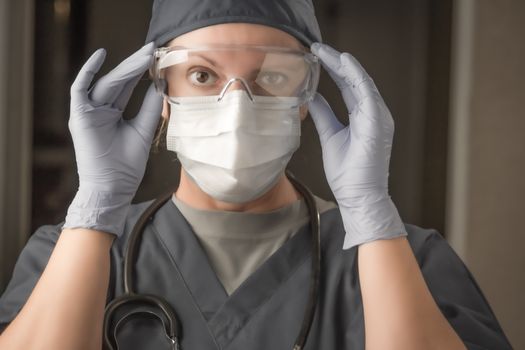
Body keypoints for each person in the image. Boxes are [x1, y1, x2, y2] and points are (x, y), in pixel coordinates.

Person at [0, 0, 513, 349]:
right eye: (203, 75)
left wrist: (371, 216)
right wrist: (96, 207)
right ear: (161, 92)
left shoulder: (408, 261)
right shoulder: (66, 256)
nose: (237, 107)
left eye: (271, 76)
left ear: (305, 97)